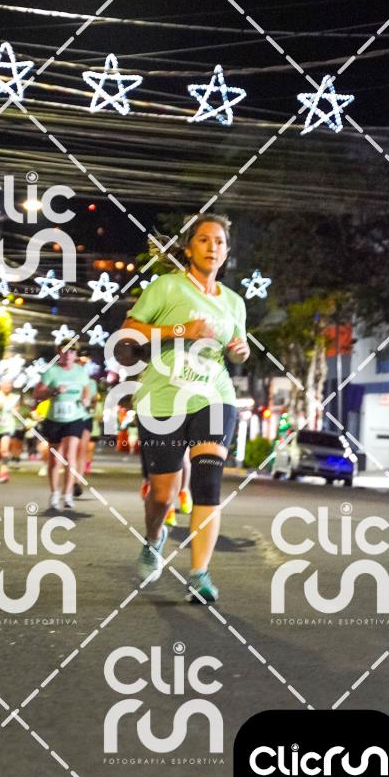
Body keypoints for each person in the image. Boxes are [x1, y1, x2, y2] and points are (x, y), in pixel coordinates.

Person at [121, 213, 249, 602]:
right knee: (163, 494)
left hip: (214, 397)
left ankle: (199, 574)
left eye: (220, 242)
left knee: (207, 482)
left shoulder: (234, 302)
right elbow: (128, 333)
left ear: (227, 252)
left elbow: (235, 349)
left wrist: (240, 352)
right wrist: (182, 330)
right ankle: (154, 538)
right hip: (163, 398)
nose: (213, 247)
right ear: (189, 249)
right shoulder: (166, 287)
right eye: (204, 240)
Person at [34, 341, 91, 511]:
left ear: (75, 355)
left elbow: (86, 389)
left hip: (75, 418)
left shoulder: (80, 372)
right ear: (59, 353)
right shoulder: (51, 371)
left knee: (70, 455)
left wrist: (86, 399)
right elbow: (37, 393)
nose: (68, 355)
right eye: (65, 351)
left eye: (71, 352)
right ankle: (54, 494)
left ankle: (67, 494)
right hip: (55, 419)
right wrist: (53, 391)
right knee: (55, 458)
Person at [75, 369, 99, 497]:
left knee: (81, 449)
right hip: (69, 418)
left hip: (85, 418)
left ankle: (77, 482)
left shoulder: (92, 383)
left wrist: (92, 403)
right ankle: (70, 478)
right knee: (71, 450)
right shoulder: (69, 380)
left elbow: (94, 402)